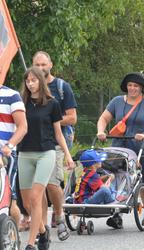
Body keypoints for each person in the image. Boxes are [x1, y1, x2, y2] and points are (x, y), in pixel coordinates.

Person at [18, 67, 74, 250]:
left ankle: (30, 244)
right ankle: (43, 232)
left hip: (46, 153)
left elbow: (58, 134)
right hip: (24, 153)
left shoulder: (52, 103)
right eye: (28, 81)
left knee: (35, 198)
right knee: (26, 203)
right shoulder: (21, 103)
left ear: (41, 82)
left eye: (34, 80)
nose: (30, 83)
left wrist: (67, 155)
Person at [97, 72, 144, 228]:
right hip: (120, 146)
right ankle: (117, 214)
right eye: (130, 85)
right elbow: (104, 118)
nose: (132, 88)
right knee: (118, 178)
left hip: (142, 147)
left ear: (141, 88)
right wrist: (101, 131)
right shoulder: (117, 101)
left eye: (136, 86)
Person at [32, 51, 77, 240]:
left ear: (50, 64)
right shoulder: (31, 87)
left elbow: (72, 118)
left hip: (57, 142)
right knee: (38, 186)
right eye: (37, 65)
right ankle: (42, 226)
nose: (41, 68)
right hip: (35, 143)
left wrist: (50, 120)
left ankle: (59, 216)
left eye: (44, 65)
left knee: (51, 183)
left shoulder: (61, 87)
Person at [0, 77, 27, 230]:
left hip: (5, 156)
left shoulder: (12, 95)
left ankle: (13, 236)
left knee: (10, 200)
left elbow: (23, 127)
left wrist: (9, 146)